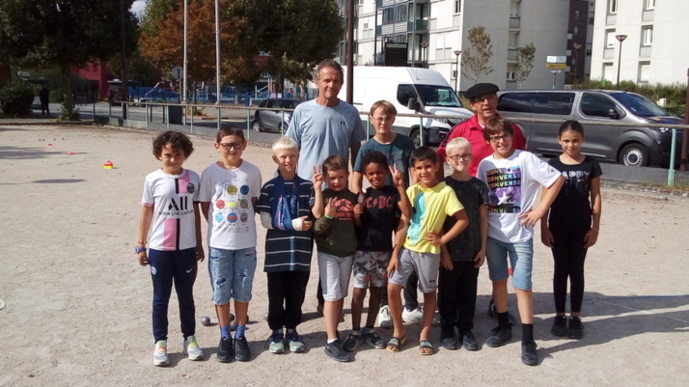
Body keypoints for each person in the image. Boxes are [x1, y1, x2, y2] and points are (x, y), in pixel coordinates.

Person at [476, 117, 564, 366]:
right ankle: (503, 325)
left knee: (523, 285)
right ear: (489, 141)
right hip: (494, 234)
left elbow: (556, 179)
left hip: (520, 235)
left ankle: (528, 340)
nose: (500, 141)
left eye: (504, 135)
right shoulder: (485, 164)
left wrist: (539, 210)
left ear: (512, 136)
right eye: (495, 138)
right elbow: (483, 199)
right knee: (498, 281)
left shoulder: (526, 159)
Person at [285, 58, 366, 312]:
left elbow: (357, 155)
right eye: (327, 79)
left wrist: (355, 188)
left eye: (336, 80)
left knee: (331, 249)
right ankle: (295, 305)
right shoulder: (302, 111)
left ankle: (326, 301)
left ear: (342, 84)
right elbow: (290, 150)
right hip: (305, 194)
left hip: (337, 195)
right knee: (301, 253)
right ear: (317, 81)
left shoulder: (350, 113)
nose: (331, 84)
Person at [386, 146, 469, 356]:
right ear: (413, 170)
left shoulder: (445, 191)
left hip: (428, 252)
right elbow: (404, 221)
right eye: (419, 168)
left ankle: (424, 335)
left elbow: (462, 220)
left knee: (429, 293)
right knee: (392, 288)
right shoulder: (412, 191)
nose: (424, 172)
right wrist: (395, 253)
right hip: (406, 249)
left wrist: (442, 241)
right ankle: (399, 330)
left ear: (437, 166)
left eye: (428, 167)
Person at [349, 100, 422, 328]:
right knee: (379, 252)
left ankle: (410, 303)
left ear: (393, 119)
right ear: (371, 119)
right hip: (375, 206)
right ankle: (383, 305)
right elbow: (356, 177)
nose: (383, 122)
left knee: (405, 253)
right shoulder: (366, 148)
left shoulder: (404, 143)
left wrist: (411, 200)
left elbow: (414, 173)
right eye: (378, 118)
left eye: (387, 118)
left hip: (400, 203)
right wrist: (359, 201)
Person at [137, 131, 205, 367]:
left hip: (186, 249)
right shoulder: (152, 179)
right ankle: (161, 342)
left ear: (185, 155)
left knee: (186, 296)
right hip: (160, 249)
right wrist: (140, 244)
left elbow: (195, 212)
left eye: (178, 154)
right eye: (168, 154)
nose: (173, 159)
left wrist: (198, 242)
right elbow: (146, 212)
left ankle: (190, 338)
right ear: (159, 155)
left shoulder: (193, 178)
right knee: (160, 298)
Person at [199, 125, 262, 363]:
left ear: (244, 145)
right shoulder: (210, 173)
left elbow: (253, 202)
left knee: (243, 290)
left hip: (246, 243)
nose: (232, 149)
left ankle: (240, 334)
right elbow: (206, 205)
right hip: (219, 244)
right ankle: (225, 335)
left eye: (237, 144)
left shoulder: (252, 172)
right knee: (221, 291)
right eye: (226, 145)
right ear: (217, 147)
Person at [343, 150, 411, 353]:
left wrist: (400, 186)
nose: (375, 177)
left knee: (376, 291)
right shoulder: (362, 196)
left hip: (384, 252)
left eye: (379, 172)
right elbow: (358, 226)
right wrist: (356, 216)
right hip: (363, 251)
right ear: (365, 175)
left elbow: (407, 213)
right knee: (358, 291)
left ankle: (369, 329)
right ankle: (355, 331)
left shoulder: (392, 193)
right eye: (370, 174)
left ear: (385, 172)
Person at [541, 120, 602, 340]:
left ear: (582, 140)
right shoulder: (552, 164)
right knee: (560, 269)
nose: (571, 145)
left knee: (576, 270)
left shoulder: (591, 164)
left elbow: (595, 196)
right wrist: (543, 227)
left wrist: (595, 228)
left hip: (581, 226)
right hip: (557, 225)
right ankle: (559, 315)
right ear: (559, 140)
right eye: (566, 140)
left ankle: (575, 316)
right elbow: (545, 199)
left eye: (575, 140)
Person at [256, 137, 315, 354]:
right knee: (275, 294)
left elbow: (314, 215)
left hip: (299, 251)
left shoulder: (308, 186)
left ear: (298, 157)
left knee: (295, 293)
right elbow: (265, 221)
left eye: (292, 156)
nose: (288, 160)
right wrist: (293, 224)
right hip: (277, 253)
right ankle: (275, 332)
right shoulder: (270, 188)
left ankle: (292, 329)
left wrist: (318, 188)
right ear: (275, 159)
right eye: (283, 157)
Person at [439, 137, 490, 351]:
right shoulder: (443, 187)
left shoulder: (478, 186)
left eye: (465, 155)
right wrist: (443, 252)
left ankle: (466, 328)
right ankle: (447, 328)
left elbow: (483, 219)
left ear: (471, 157)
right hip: (450, 250)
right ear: (449, 159)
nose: (461, 159)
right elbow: (439, 222)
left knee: (468, 291)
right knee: (447, 291)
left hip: (471, 250)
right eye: (456, 156)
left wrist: (483, 248)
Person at [312, 155, 358, 362]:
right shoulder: (325, 195)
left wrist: (358, 215)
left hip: (347, 253)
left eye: (340, 177)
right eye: (332, 178)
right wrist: (319, 192)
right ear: (326, 178)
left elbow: (358, 227)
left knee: (340, 294)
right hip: (328, 252)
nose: (336, 181)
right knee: (330, 295)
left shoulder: (353, 196)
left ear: (347, 175)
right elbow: (317, 226)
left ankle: (335, 333)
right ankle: (330, 341)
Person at [436, 83, 526, 177]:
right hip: (473, 188)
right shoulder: (460, 130)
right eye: (481, 100)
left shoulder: (512, 129)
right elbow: (438, 157)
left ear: (497, 100)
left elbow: (523, 160)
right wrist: (440, 186)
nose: (486, 103)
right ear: (472, 105)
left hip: (506, 188)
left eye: (490, 97)